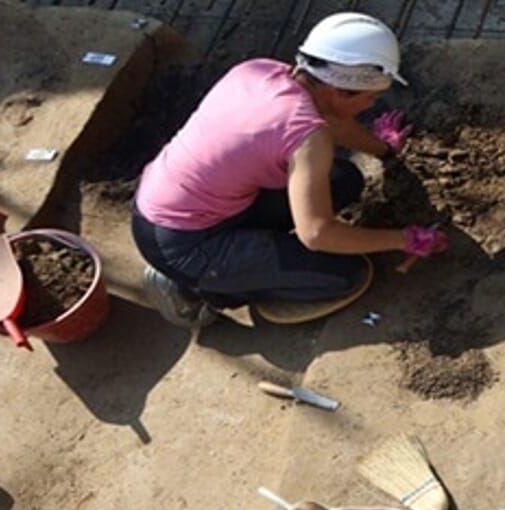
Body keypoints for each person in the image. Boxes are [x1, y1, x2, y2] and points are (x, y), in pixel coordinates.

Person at [131, 12, 447, 327]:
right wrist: (403, 239)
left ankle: (253, 258)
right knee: (345, 276)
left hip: (181, 202)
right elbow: (317, 233)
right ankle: (197, 291)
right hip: (184, 245)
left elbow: (332, 120)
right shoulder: (309, 140)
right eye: (370, 97)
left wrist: (385, 150)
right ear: (339, 91)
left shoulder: (259, 70)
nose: (370, 105)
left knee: (344, 180)